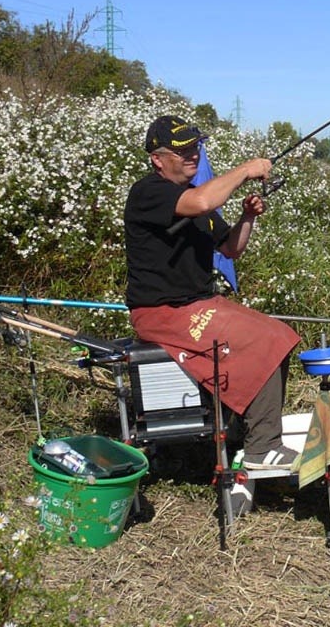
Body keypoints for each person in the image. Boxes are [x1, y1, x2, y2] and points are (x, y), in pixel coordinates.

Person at [124, 115, 301, 469]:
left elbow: (231, 248)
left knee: (279, 335)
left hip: (199, 303)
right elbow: (203, 202)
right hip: (162, 312)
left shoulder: (196, 200)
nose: (193, 155)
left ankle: (242, 432)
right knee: (265, 340)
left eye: (195, 148)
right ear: (158, 159)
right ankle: (261, 449)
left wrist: (247, 217)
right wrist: (246, 169)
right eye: (182, 151)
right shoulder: (149, 192)